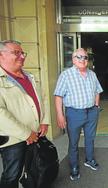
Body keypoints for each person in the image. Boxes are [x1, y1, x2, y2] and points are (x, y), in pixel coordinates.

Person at [0, 40, 48, 188]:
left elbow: (42, 98)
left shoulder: (29, 76)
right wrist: (26, 133)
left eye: (22, 53)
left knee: (33, 167)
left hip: (35, 133)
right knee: (12, 174)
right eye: (16, 52)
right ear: (1, 55)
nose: (22, 56)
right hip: (14, 139)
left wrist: (44, 121)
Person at [54, 48, 103, 181]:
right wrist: (60, 115)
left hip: (92, 112)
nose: (82, 60)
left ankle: (89, 159)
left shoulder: (92, 74)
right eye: (79, 57)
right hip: (74, 113)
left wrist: (97, 106)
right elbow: (58, 96)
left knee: (90, 138)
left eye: (85, 57)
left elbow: (97, 90)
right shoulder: (66, 75)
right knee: (73, 142)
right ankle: (74, 167)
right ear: (73, 59)